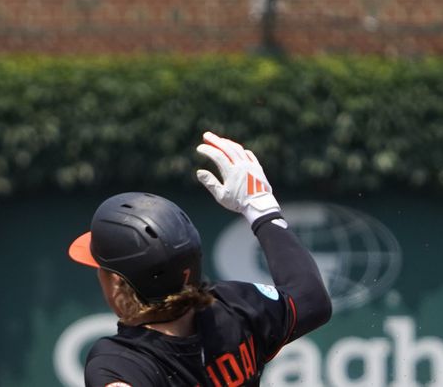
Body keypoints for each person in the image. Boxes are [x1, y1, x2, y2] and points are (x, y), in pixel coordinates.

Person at [69, 132, 332, 386]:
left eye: (101, 268)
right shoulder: (234, 308)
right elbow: (311, 300)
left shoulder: (121, 362)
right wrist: (262, 210)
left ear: (118, 283)